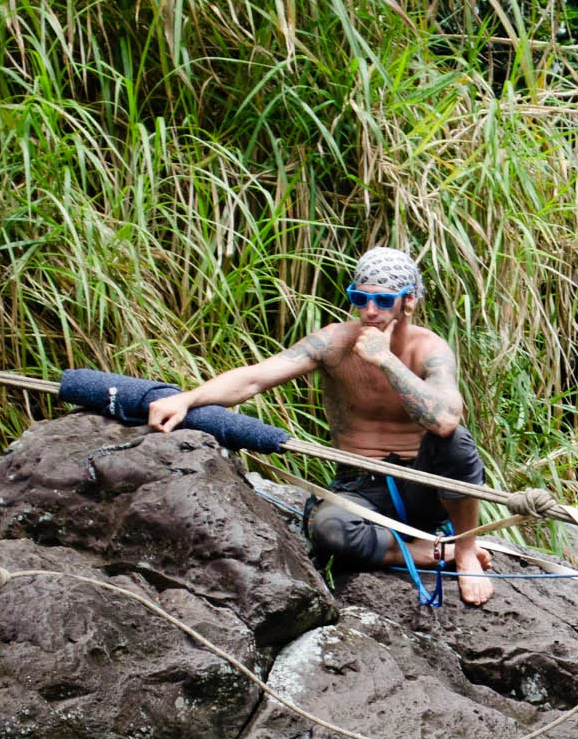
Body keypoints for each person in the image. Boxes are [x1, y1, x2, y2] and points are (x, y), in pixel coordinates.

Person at [146, 246, 493, 605]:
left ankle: (465, 550)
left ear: (408, 302)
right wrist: (186, 398)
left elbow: (446, 418)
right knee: (329, 532)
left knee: (456, 441)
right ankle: (427, 552)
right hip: (360, 483)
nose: (370, 311)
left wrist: (385, 359)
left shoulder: (429, 349)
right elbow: (254, 379)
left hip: (424, 486)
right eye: (360, 298)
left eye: (383, 300)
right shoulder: (334, 342)